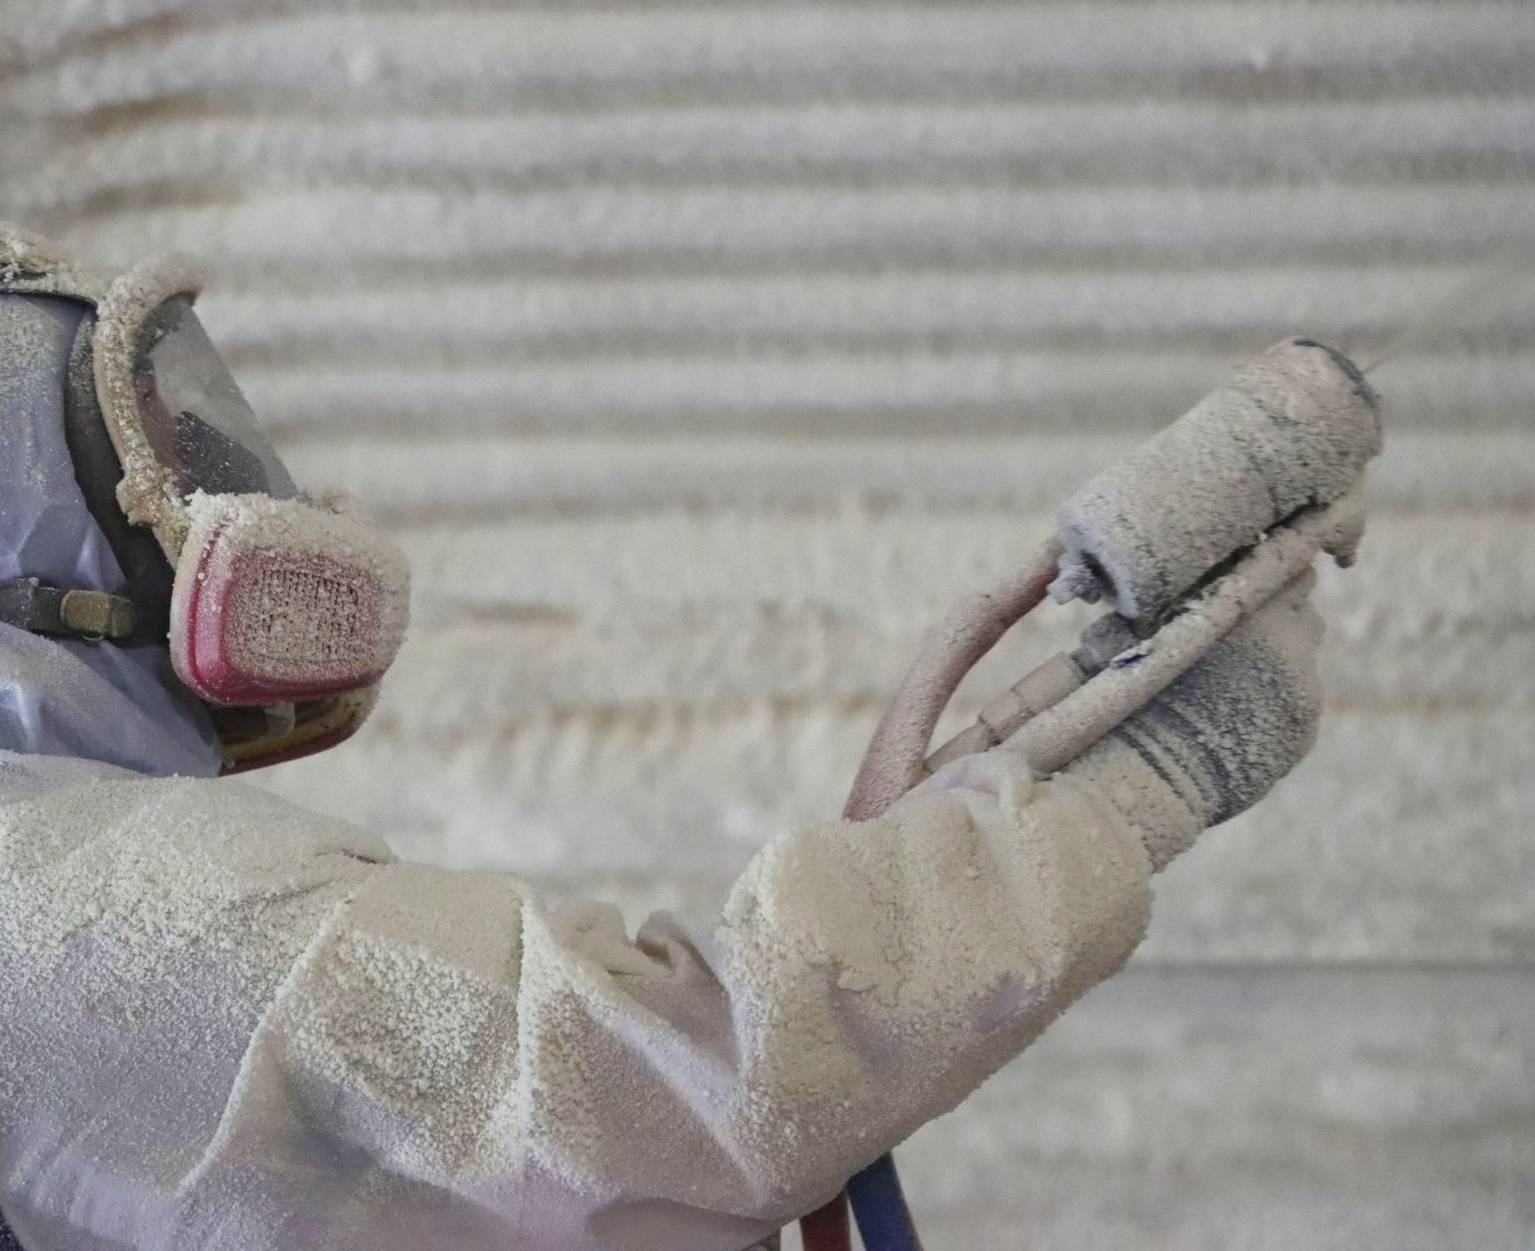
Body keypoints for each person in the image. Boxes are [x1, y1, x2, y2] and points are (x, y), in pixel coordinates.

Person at [0, 227, 1324, 1251]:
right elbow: (667, 1081)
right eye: (162, 469)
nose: (213, 511)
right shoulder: (68, 905)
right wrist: (1144, 780)